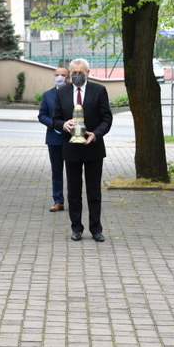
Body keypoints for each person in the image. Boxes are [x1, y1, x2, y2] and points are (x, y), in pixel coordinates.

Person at [52, 58, 113, 242]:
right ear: (70, 74)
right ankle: (76, 228)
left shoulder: (99, 90)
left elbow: (106, 118)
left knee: (94, 191)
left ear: (88, 72)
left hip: (92, 147)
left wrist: (97, 134)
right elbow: (55, 118)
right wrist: (64, 124)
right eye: (74, 73)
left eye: (81, 72)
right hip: (71, 148)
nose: (78, 75)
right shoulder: (62, 92)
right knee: (74, 191)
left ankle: (96, 229)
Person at [38, 66, 69, 212]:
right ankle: (58, 201)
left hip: (71, 138)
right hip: (54, 138)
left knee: (72, 171)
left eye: (63, 75)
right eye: (57, 75)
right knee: (57, 171)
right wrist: (54, 124)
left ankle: (74, 200)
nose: (60, 77)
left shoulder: (73, 93)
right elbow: (42, 115)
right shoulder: (48, 95)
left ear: (68, 77)